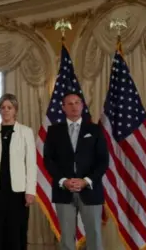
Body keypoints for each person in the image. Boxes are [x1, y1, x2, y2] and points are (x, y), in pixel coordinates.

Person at [43, 91, 109, 250]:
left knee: (94, 235)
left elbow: (103, 160)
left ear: (82, 105)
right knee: (66, 237)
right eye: (70, 104)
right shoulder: (53, 131)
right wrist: (63, 181)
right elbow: (48, 160)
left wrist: (85, 181)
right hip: (63, 191)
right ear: (63, 107)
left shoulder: (95, 130)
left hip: (90, 190)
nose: (74, 106)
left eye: (77, 102)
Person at [0, 93, 37, 250]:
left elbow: (31, 164)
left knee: (17, 230)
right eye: (2, 107)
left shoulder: (26, 132)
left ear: (15, 110)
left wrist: (31, 191)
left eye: (9, 107)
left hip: (18, 191)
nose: (6, 110)